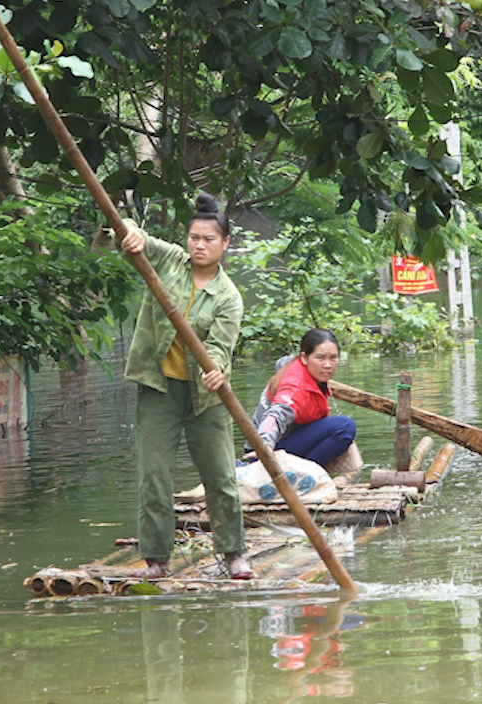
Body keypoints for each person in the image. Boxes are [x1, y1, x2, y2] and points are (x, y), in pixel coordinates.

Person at [118, 193, 252, 581]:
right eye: (194, 237)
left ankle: (233, 553)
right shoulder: (171, 260)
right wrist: (130, 237)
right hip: (159, 388)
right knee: (154, 476)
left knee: (221, 478)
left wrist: (217, 372)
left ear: (225, 244)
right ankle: (157, 559)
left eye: (209, 239)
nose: (199, 245)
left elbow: (220, 349)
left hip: (205, 397)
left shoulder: (229, 297)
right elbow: (130, 235)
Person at [246, 329, 356, 468]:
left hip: (281, 443)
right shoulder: (294, 386)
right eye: (320, 358)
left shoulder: (299, 368)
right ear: (304, 358)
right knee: (344, 427)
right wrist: (264, 444)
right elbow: (275, 414)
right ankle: (306, 473)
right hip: (263, 454)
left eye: (333, 358)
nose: (328, 365)